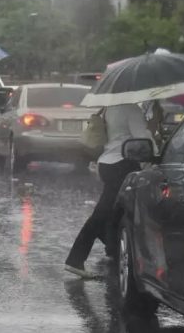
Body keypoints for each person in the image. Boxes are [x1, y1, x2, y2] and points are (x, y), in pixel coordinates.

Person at [65, 103, 153, 279]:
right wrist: (151, 132)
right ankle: (75, 259)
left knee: (114, 210)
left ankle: (112, 246)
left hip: (106, 162)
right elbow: (142, 140)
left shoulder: (111, 107)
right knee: (103, 212)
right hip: (122, 164)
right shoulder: (132, 109)